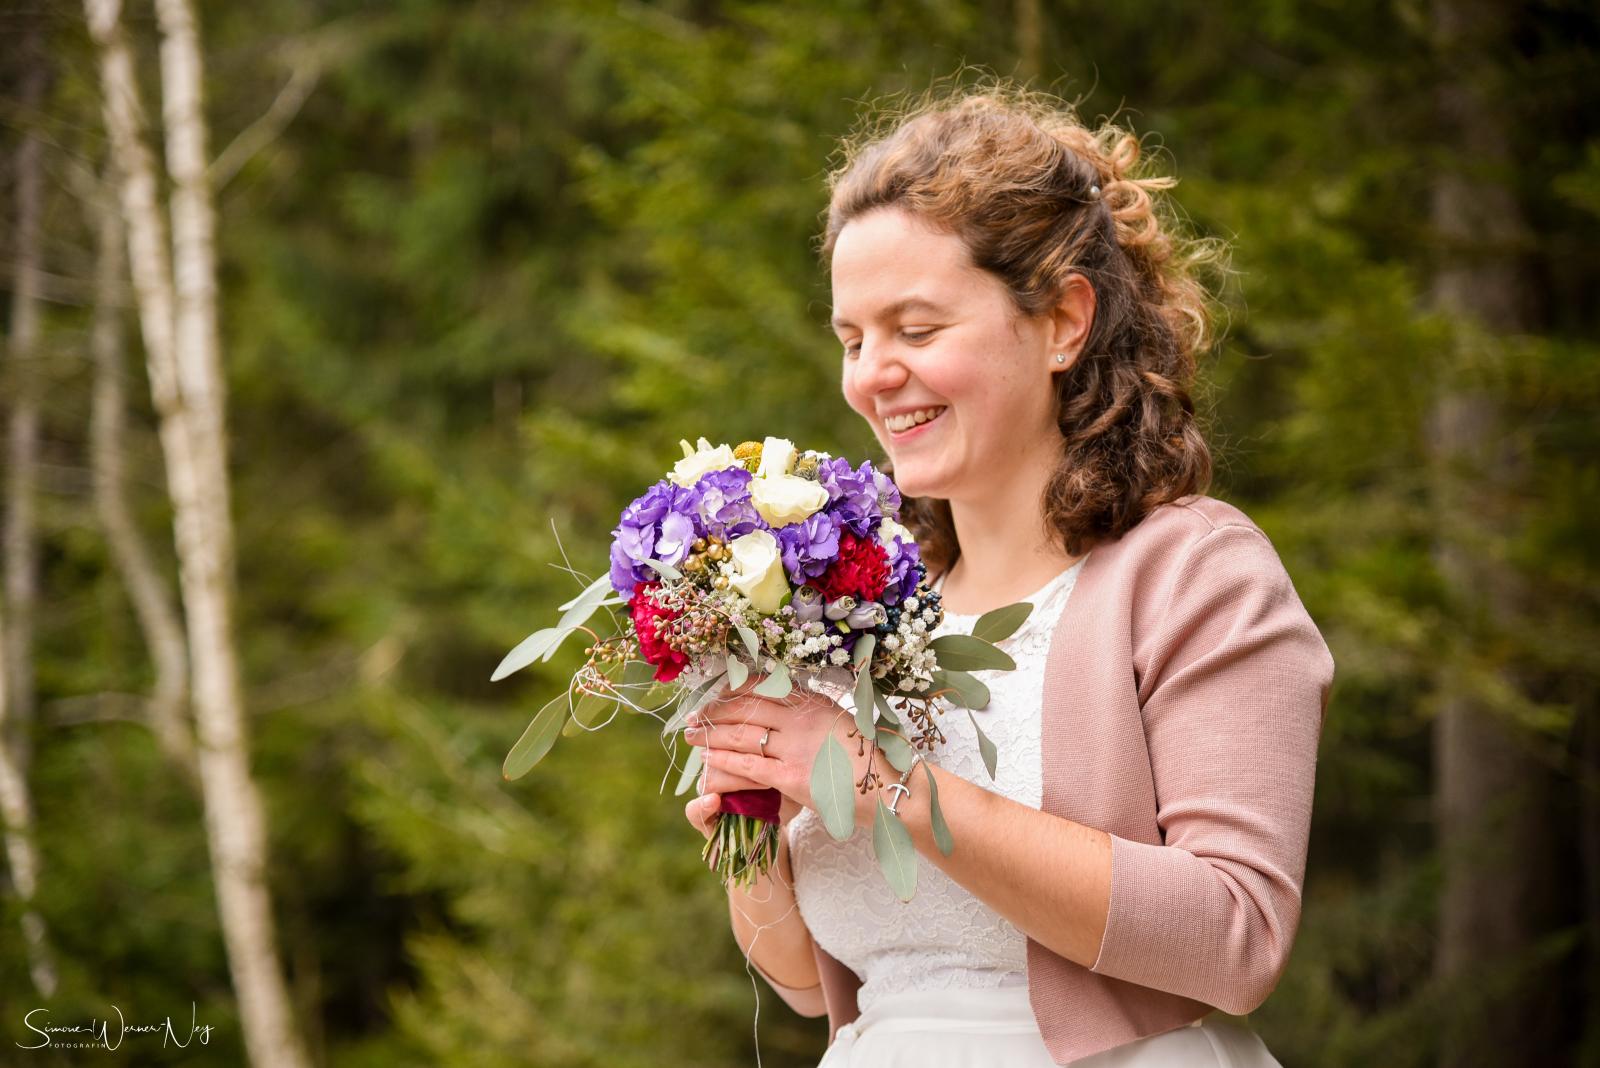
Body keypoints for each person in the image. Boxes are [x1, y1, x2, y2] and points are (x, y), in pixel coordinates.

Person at [681, 82, 1335, 1067]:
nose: (870, 375)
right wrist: (753, 837)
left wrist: (889, 786)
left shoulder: (1193, 571)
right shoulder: (850, 608)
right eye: (852, 340)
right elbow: (813, 989)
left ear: (1064, 320)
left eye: (916, 329)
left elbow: (1234, 936)